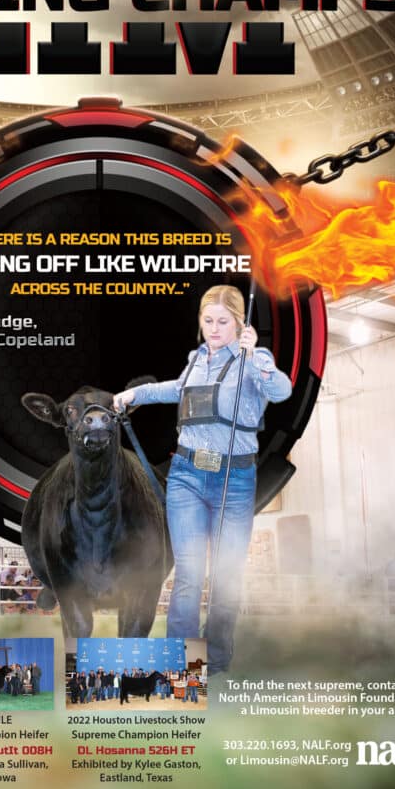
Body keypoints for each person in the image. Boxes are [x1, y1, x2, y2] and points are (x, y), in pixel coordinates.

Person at [113, 284, 292, 673]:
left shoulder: (253, 359)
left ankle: (218, 662)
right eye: (207, 320)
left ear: (239, 323)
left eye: (223, 322)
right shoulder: (196, 359)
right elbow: (176, 390)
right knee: (189, 576)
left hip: (235, 478)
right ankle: (180, 663)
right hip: (188, 476)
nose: (214, 329)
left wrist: (254, 356)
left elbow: (282, 391)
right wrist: (134, 396)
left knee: (226, 577)